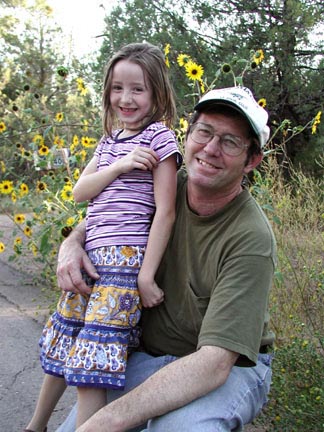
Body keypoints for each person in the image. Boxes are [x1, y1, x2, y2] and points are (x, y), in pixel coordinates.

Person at [58, 85, 276, 432]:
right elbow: (108, 215)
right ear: (187, 136)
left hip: (227, 366)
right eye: (204, 132)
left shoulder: (250, 237)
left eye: (230, 142)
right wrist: (72, 243)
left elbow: (215, 362)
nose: (211, 149)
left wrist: (112, 420)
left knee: (178, 428)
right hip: (151, 355)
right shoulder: (164, 186)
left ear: (252, 161)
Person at [24, 42, 182, 431]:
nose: (125, 98)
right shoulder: (110, 142)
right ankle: (36, 425)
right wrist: (120, 165)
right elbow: (80, 191)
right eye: (117, 88)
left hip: (124, 263)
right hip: (92, 260)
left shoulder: (160, 139)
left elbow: (166, 211)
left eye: (137, 89)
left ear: (157, 93)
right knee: (66, 342)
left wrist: (145, 276)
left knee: (91, 362)